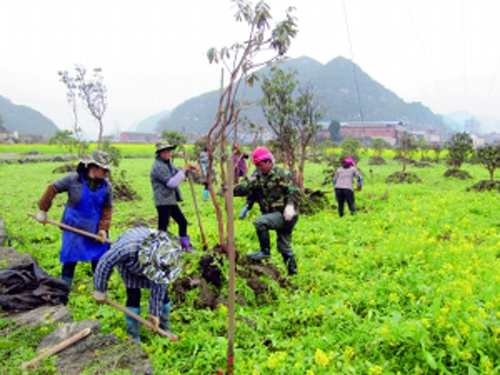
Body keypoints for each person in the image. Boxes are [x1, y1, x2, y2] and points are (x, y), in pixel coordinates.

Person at [35, 150, 114, 287]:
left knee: (99, 258)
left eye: (107, 169)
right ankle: (65, 287)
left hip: (94, 228)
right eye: (104, 169)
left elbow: (107, 210)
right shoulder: (73, 180)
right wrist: (43, 210)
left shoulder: (107, 187)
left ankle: (99, 288)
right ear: (93, 167)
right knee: (70, 258)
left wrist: (103, 229)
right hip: (73, 226)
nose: (106, 172)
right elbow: (52, 188)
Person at [93, 227, 182, 343]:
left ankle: (164, 328)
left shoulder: (165, 255)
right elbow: (105, 263)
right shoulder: (126, 248)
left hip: (152, 262)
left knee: (163, 295)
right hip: (129, 266)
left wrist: (154, 314)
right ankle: (133, 337)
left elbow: (159, 286)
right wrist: (99, 289)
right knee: (133, 295)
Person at [234, 147, 300, 276]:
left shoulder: (282, 174)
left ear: (268, 162)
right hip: (273, 213)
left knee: (260, 222)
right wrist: (230, 189)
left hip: (286, 213)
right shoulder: (259, 177)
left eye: (260, 164)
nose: (258, 167)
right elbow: (246, 187)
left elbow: (294, 191)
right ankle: (293, 273)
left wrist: (290, 205)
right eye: (256, 165)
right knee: (284, 246)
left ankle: (265, 251)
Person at [150, 141, 194, 253]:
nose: (168, 154)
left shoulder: (168, 164)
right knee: (163, 228)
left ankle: (184, 246)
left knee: (182, 221)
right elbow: (172, 183)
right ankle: (159, 250)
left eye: (169, 151)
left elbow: (177, 172)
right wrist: (184, 171)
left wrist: (188, 168)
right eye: (165, 152)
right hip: (162, 201)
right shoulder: (158, 167)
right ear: (160, 153)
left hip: (170, 200)